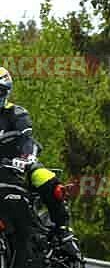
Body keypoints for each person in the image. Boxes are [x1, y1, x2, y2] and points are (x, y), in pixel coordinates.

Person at [0, 67, 79, 257]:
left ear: (6, 92)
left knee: (43, 176)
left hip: (17, 165)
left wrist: (27, 158)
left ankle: (63, 231)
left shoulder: (16, 113)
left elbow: (27, 139)